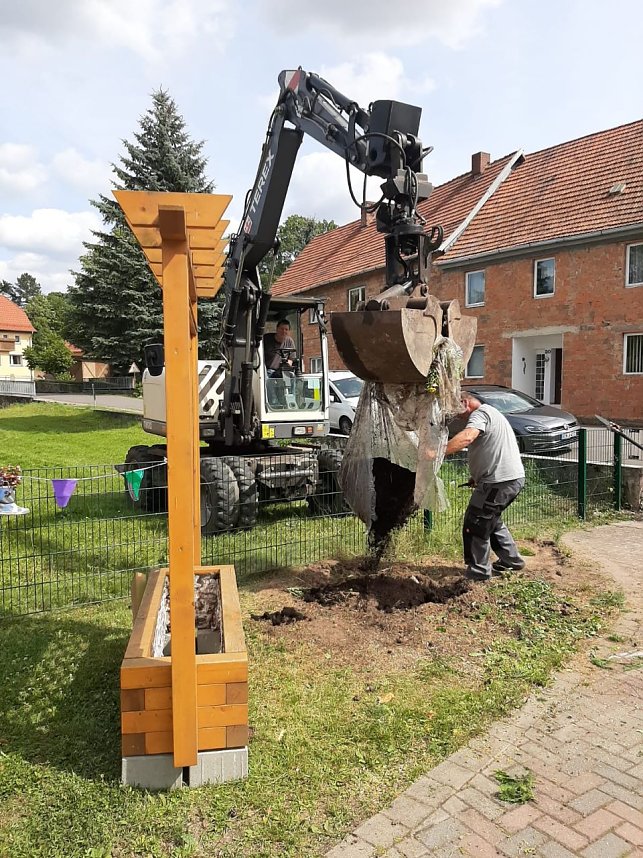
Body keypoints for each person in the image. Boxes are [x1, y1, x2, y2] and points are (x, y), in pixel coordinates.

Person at [445, 391, 525, 581]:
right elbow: (493, 448)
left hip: (498, 482)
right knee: (491, 520)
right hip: (508, 479)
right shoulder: (492, 413)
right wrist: (477, 476)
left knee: (476, 523)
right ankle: (512, 561)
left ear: (465, 403)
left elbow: (467, 437)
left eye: (455, 411)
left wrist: (437, 452)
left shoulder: (479, 414)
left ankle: (479, 573)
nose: (455, 416)